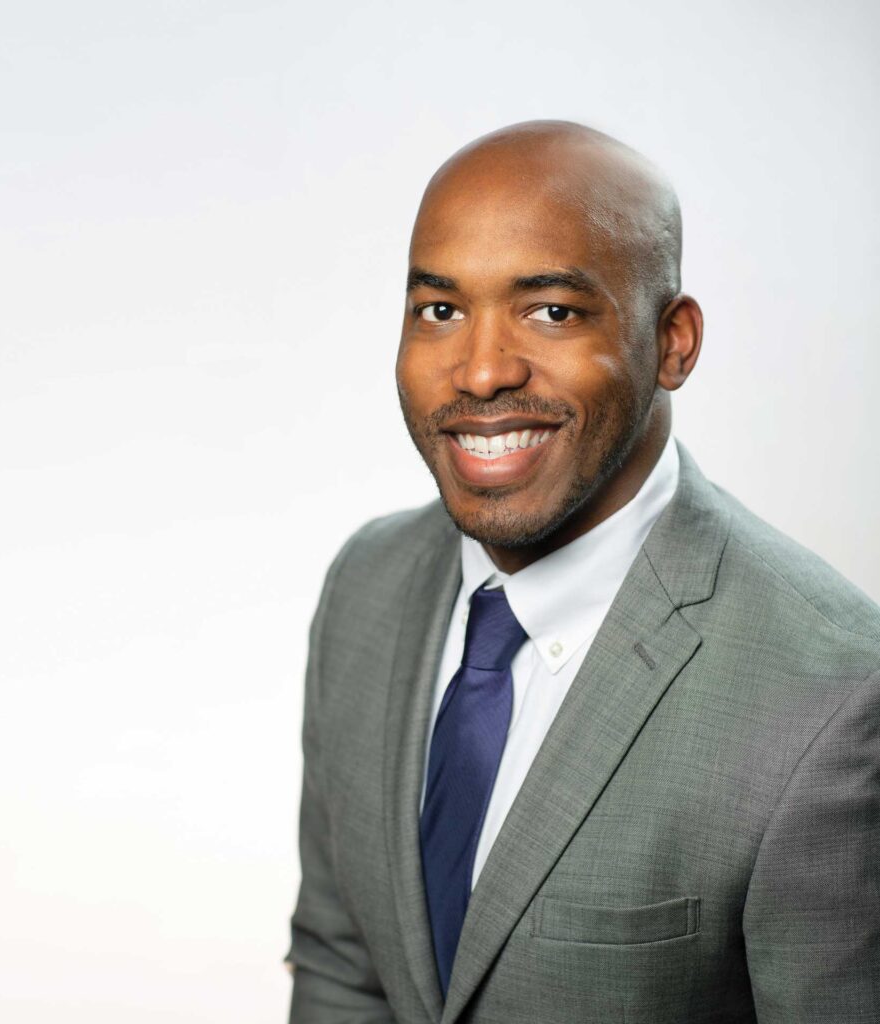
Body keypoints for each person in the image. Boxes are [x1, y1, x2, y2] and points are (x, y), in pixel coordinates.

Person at [286, 121, 880, 1023]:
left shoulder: (829, 696)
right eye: (440, 310)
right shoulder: (365, 588)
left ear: (672, 341)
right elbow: (341, 968)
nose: (481, 371)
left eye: (552, 310)